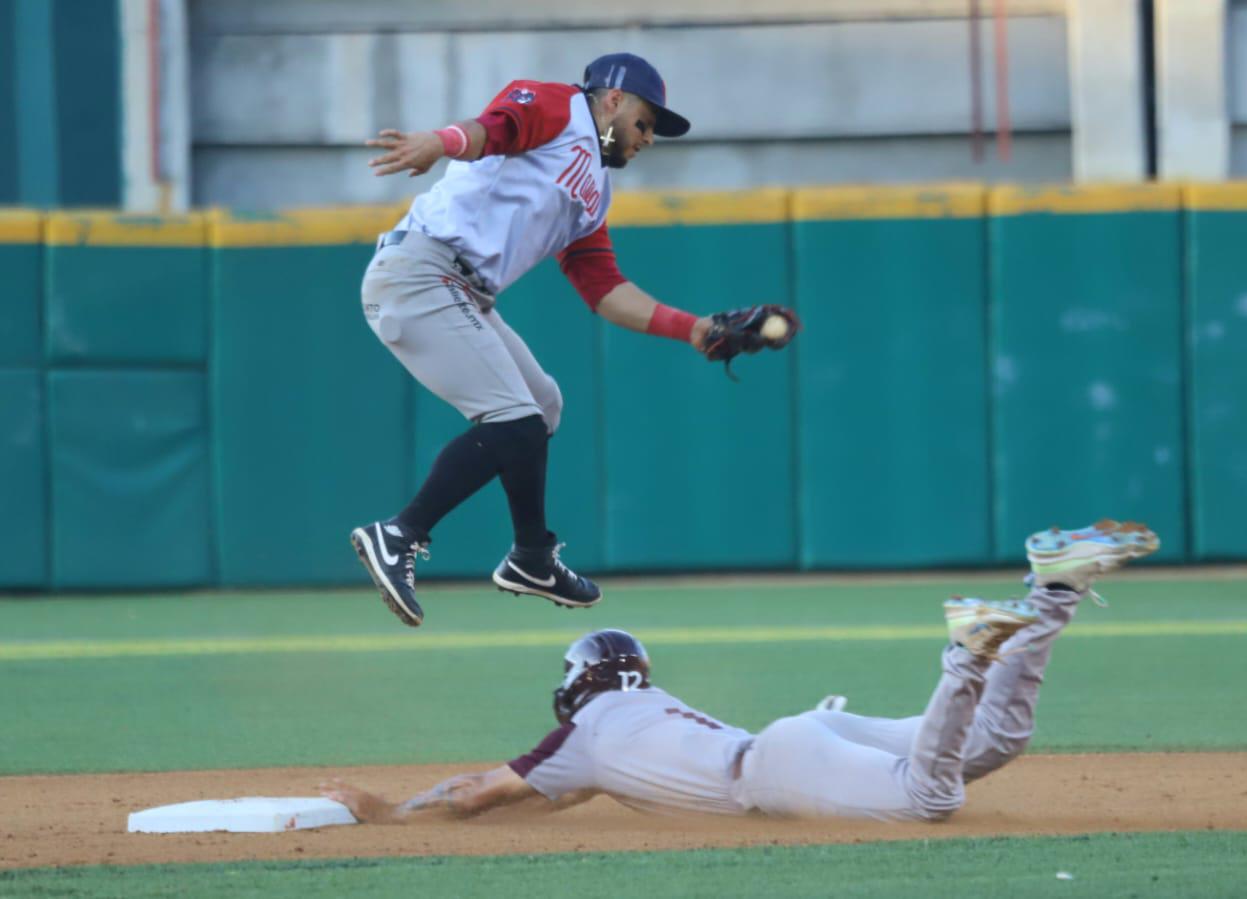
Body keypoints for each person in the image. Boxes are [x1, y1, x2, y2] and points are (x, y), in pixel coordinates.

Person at [348, 52, 798, 627]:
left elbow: (603, 288)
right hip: (421, 272)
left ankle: (532, 557)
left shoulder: (595, 189)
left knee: (542, 407)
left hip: (459, 289)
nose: (649, 138)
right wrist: (441, 141)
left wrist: (694, 329)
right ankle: (400, 534)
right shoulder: (563, 107)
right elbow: (500, 128)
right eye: (645, 122)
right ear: (612, 99)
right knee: (515, 421)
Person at [324, 520, 1159, 821]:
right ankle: (1052, 588)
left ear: (578, 683)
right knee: (996, 741)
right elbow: (560, 795)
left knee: (932, 796)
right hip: (805, 736)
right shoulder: (644, 710)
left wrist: (391, 812)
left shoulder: (582, 736)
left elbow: (481, 791)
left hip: (781, 764)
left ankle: (968, 649)